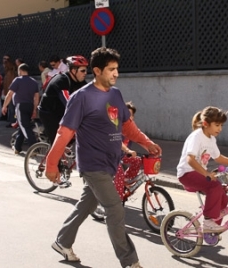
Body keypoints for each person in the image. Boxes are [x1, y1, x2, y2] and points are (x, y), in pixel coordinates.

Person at [45, 47, 161, 268]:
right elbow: (65, 132)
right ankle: (130, 262)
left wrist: (147, 142)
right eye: (111, 70)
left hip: (111, 162)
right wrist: (52, 164)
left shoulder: (115, 95)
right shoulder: (81, 98)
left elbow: (127, 126)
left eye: (117, 69)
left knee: (86, 205)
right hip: (92, 164)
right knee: (115, 208)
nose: (116, 73)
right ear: (97, 71)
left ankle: (62, 241)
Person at [177, 106, 228, 232]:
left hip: (199, 174)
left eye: (221, 125)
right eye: (217, 125)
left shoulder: (211, 139)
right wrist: (206, 173)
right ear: (206, 124)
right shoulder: (196, 137)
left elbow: (218, 157)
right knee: (214, 186)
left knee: (223, 200)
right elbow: (190, 159)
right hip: (187, 173)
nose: (220, 128)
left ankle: (212, 230)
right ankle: (208, 222)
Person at [38, 55, 88, 145]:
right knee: (58, 143)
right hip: (48, 113)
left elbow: (91, 95)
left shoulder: (80, 81)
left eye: (86, 70)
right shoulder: (62, 80)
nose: (85, 73)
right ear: (73, 70)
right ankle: (53, 157)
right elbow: (68, 102)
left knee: (74, 136)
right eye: (83, 70)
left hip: (60, 111)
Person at [1, 63, 39, 154]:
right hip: (29, 106)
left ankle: (34, 148)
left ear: (20, 71)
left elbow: (9, 94)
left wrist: (4, 106)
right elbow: (36, 97)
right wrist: (34, 109)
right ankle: (17, 147)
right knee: (22, 126)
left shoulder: (17, 80)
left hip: (20, 106)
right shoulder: (34, 81)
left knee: (25, 127)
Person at [114, 101, 142, 200]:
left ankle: (125, 181)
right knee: (119, 172)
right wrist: (128, 150)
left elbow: (139, 138)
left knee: (137, 160)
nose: (129, 117)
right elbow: (117, 141)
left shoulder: (131, 127)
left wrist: (151, 148)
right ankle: (117, 201)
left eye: (131, 115)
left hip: (121, 156)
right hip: (110, 157)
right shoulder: (116, 126)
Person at [2, 57, 17, 127]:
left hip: (10, 92)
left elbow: (9, 84)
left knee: (11, 108)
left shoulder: (10, 73)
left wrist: (7, 92)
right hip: (9, 92)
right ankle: (12, 121)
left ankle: (12, 121)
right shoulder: (9, 72)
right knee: (11, 108)